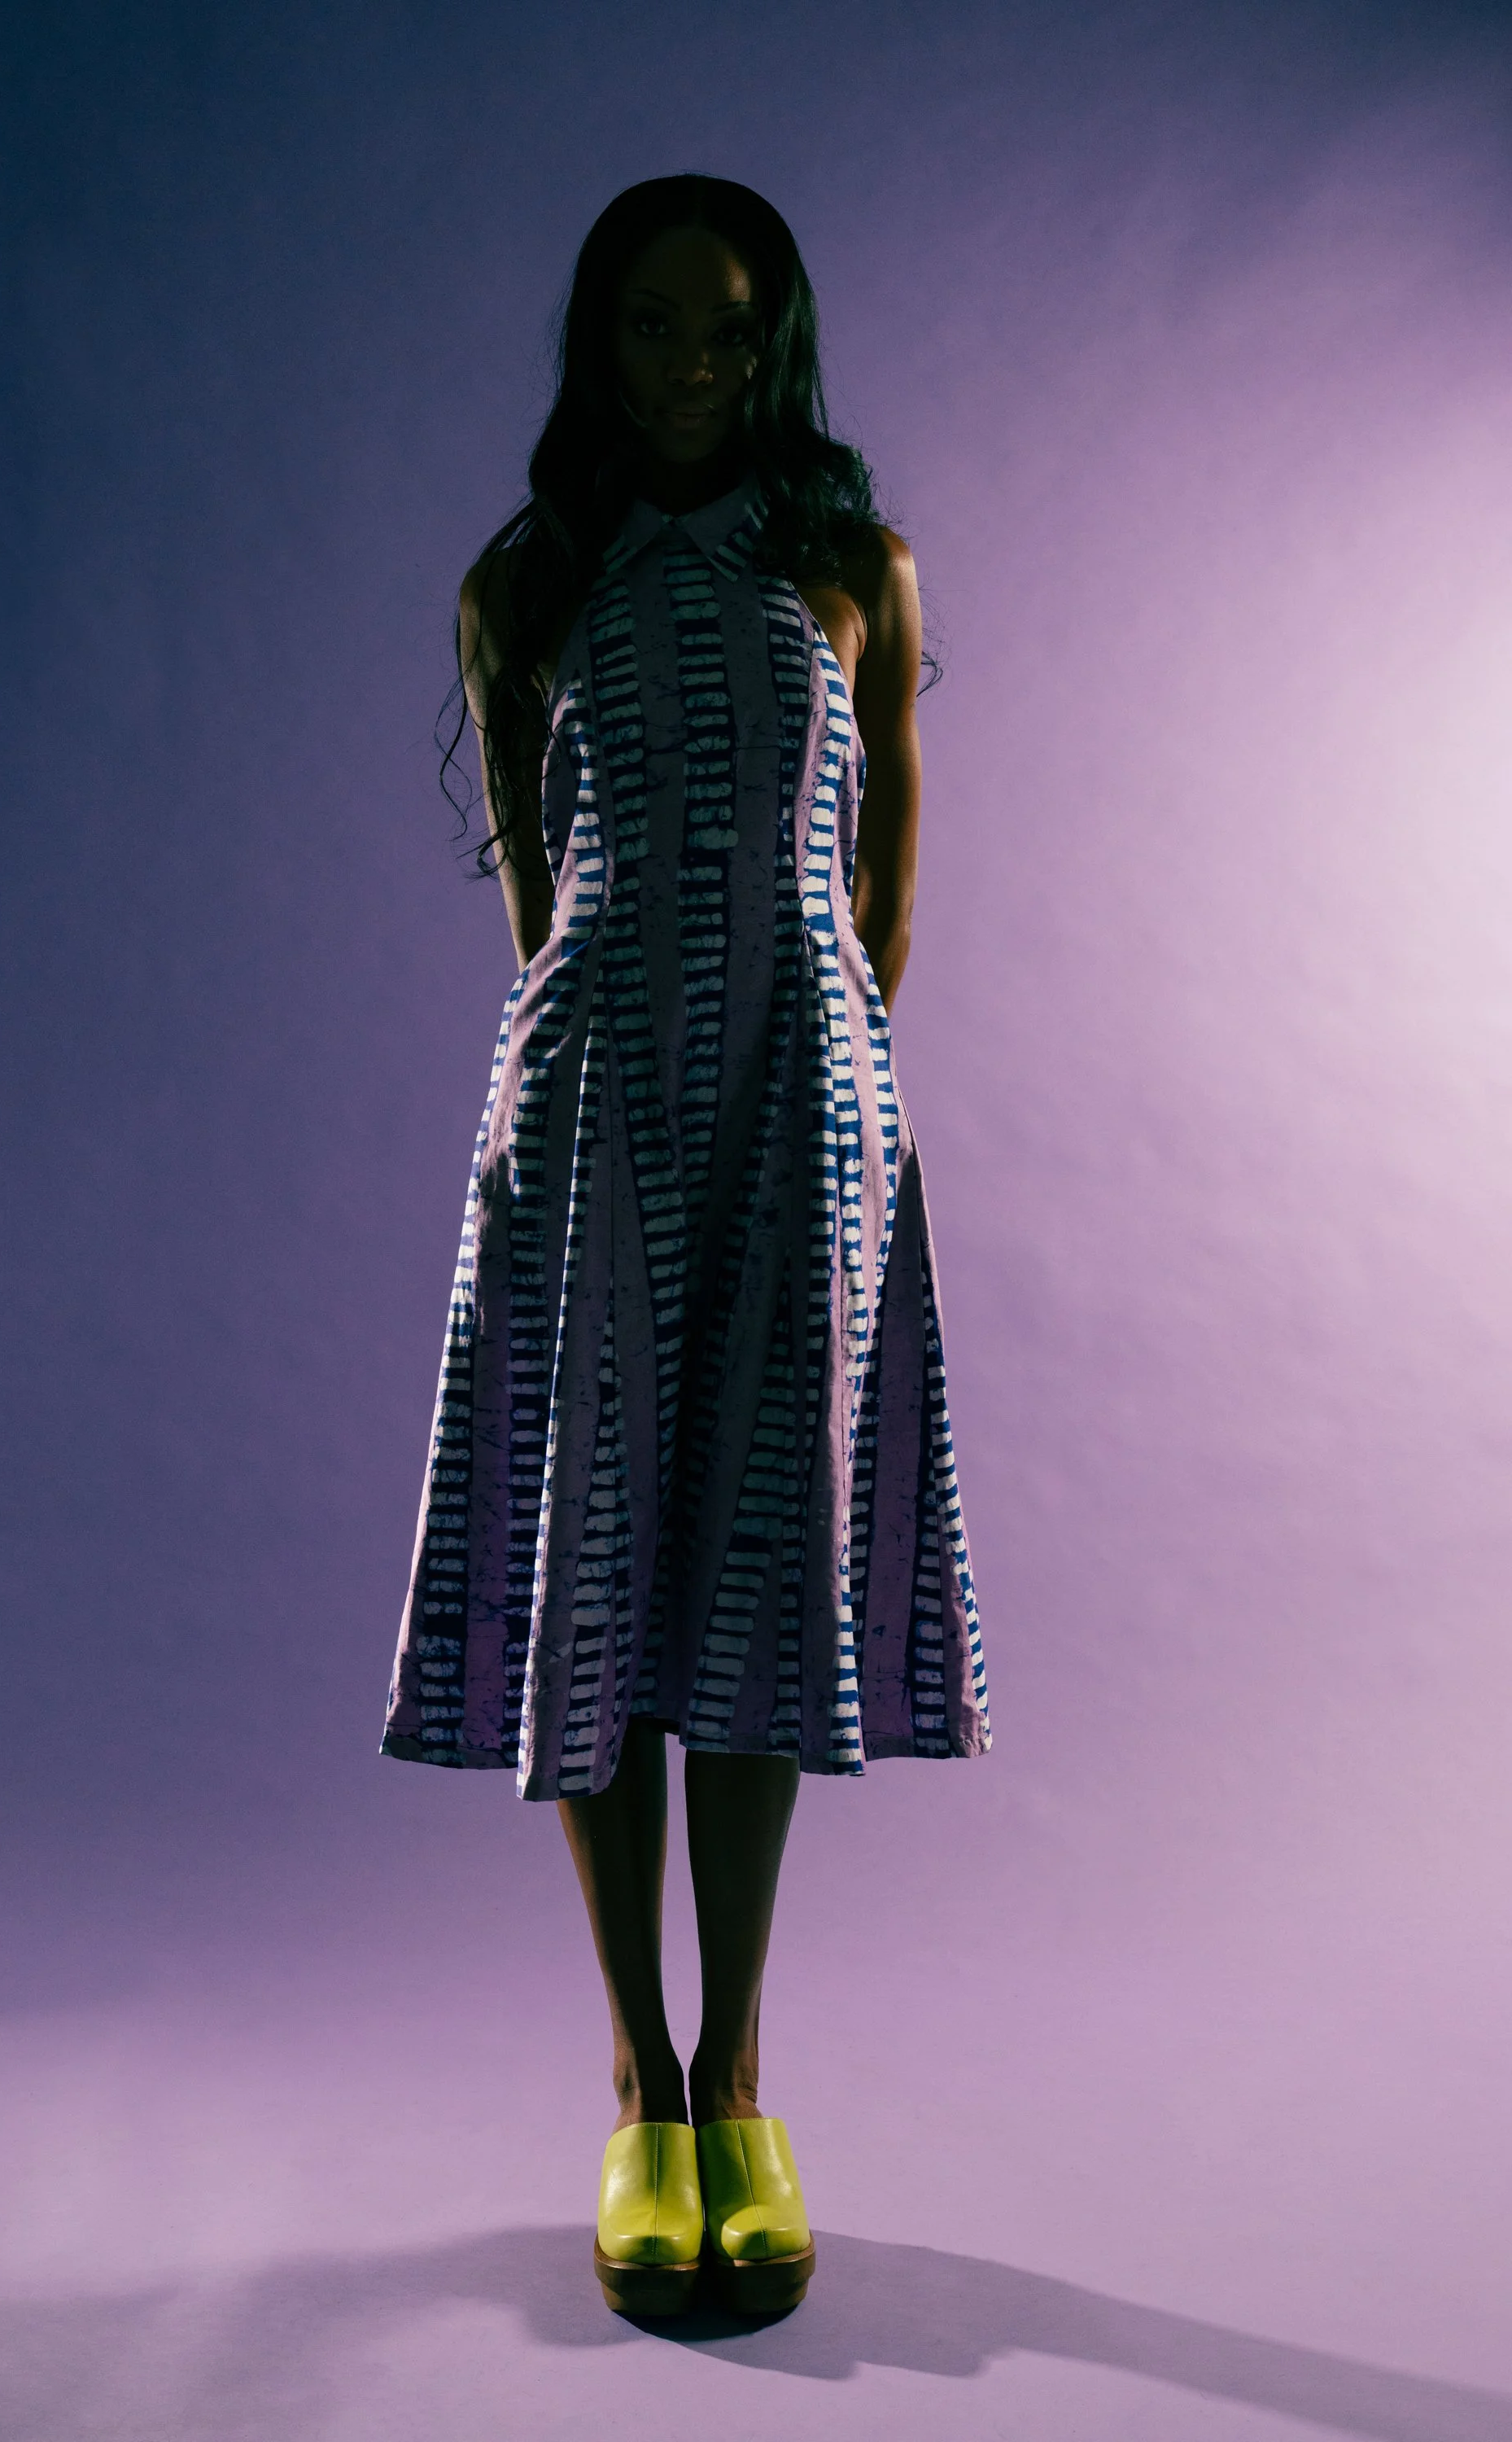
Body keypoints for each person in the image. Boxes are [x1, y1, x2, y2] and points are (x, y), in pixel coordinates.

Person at [382, 174, 989, 2318]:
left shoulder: (855, 573)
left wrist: (809, 1081)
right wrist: (613, 1082)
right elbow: (547, 914)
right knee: (596, 1582)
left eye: (727, 333)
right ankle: (638, 2085)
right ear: (600, 342)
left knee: (761, 1576)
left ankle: (747, 2069)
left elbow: (882, 900)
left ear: (775, 345)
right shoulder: (525, 584)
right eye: (652, 329)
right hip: (587, 1124)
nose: (689, 368)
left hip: (799, 1117)